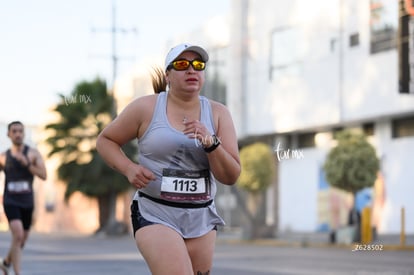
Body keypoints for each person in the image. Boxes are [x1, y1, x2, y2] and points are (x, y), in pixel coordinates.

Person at [96, 43, 240, 275]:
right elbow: (106, 140)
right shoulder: (146, 108)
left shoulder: (218, 113)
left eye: (198, 65)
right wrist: (129, 168)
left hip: (201, 216)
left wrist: (211, 143)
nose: (191, 70)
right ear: (168, 75)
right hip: (155, 212)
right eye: (182, 65)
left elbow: (231, 176)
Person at [0, 121, 47, 275]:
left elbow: (44, 175)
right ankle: (18, 273)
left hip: (27, 201)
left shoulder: (33, 153)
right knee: (18, 235)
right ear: (9, 134)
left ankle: (6, 261)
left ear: (24, 133)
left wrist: (27, 164)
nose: (18, 134)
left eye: (20, 131)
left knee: (21, 240)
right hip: (10, 200)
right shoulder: (3, 157)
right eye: (14, 131)